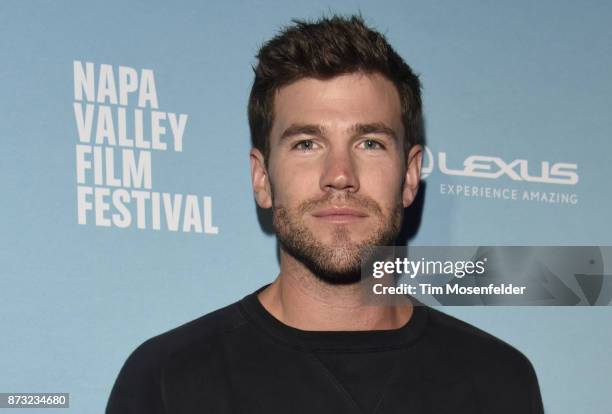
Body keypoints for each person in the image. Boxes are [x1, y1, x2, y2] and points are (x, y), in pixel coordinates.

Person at [106, 15, 544, 414]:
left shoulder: (498, 381)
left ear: (410, 176)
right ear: (262, 178)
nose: (339, 175)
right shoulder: (168, 380)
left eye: (369, 143)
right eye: (306, 144)